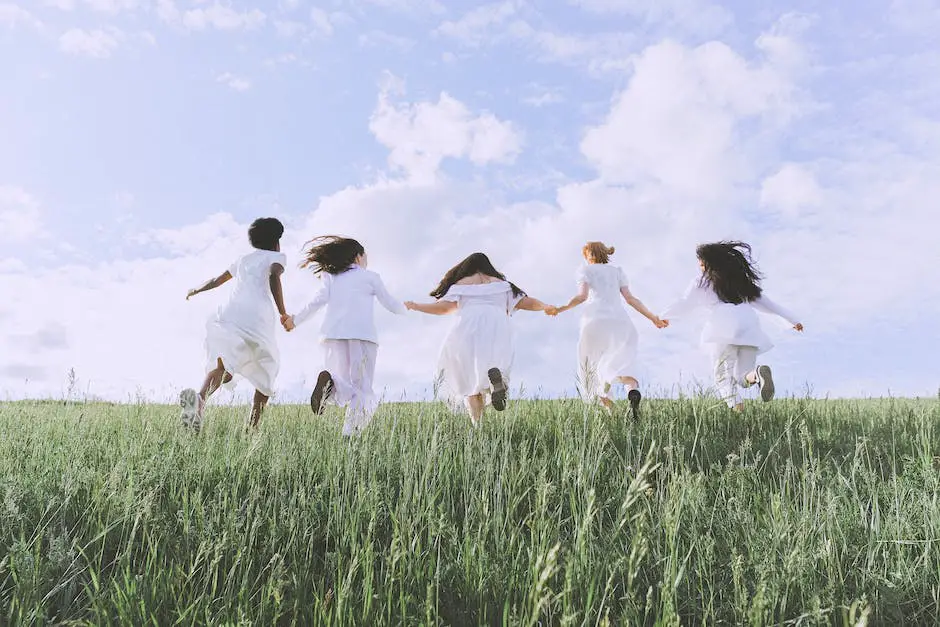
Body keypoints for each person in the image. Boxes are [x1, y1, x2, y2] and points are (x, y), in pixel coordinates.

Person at [281, 236, 406, 436]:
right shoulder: (371, 277)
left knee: (344, 381)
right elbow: (390, 303)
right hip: (363, 336)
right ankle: (350, 435)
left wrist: (294, 320)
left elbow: (316, 302)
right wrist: (410, 309)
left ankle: (330, 380)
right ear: (358, 257)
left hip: (332, 336)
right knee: (362, 388)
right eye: (366, 257)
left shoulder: (331, 277)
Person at [405, 252, 549, 426]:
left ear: (467, 268)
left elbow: (443, 308)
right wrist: (546, 306)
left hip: (467, 329)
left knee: (469, 382)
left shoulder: (461, 285)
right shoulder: (502, 286)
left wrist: (416, 306)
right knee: (495, 364)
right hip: (497, 327)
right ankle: (499, 383)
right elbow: (527, 302)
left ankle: (478, 427)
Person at [660, 241, 804, 411]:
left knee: (722, 377)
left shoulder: (702, 281)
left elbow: (685, 302)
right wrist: (792, 320)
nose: (700, 267)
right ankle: (757, 375)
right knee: (743, 377)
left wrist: (663, 316)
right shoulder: (741, 283)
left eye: (701, 263)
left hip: (723, 326)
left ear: (710, 263)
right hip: (749, 326)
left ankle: (739, 416)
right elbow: (768, 304)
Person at [180, 217, 288, 431]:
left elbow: (216, 280)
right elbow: (275, 276)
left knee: (224, 363)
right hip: (257, 318)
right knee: (267, 365)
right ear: (276, 241)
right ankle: (252, 426)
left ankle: (200, 400)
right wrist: (283, 312)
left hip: (232, 314)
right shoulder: (277, 257)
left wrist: (196, 289)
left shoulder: (243, 260)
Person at [546, 242, 666, 418]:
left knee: (591, 367)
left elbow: (582, 296)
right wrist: (653, 317)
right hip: (620, 322)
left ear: (588, 255)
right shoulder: (617, 271)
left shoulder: (585, 271)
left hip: (594, 322)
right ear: (604, 254)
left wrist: (560, 308)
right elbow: (630, 299)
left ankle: (611, 410)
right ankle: (631, 391)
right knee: (625, 360)